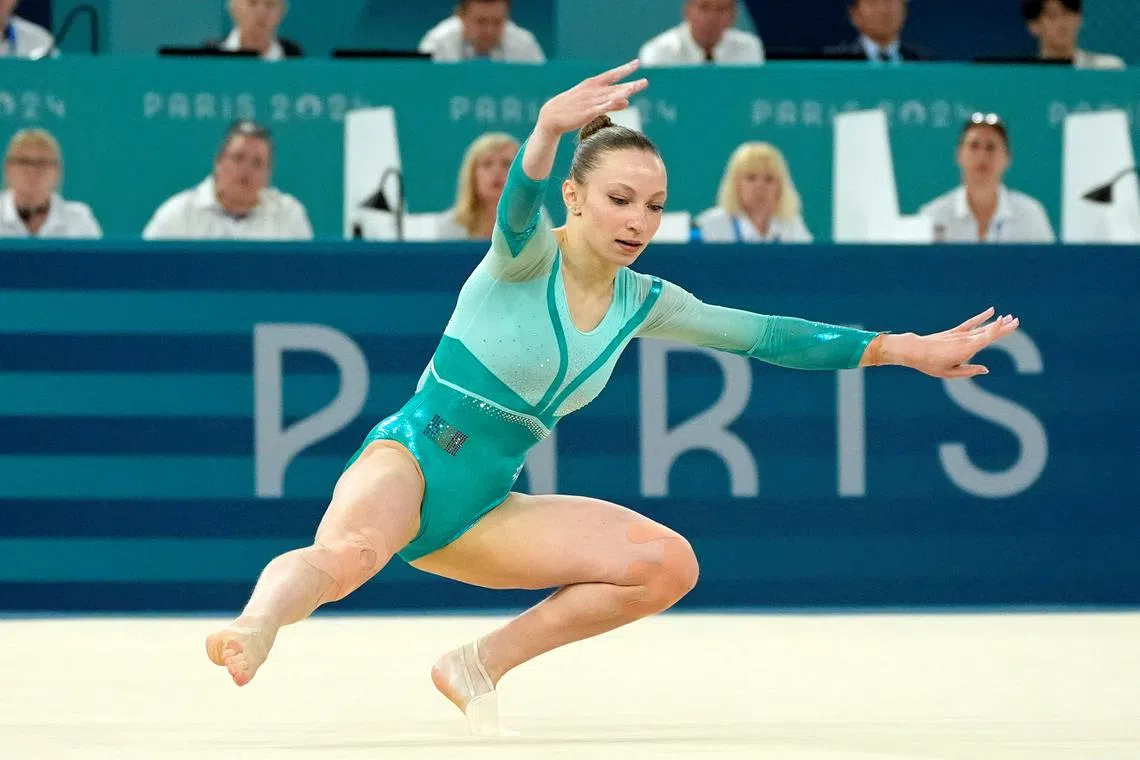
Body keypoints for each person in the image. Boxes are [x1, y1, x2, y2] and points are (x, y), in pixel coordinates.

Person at [205, 60, 1021, 733]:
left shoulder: (645, 301)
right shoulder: (523, 256)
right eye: (620, 200)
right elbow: (517, 200)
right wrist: (545, 132)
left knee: (667, 566)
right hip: (415, 455)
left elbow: (768, 335)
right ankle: (256, 626)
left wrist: (902, 349)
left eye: (655, 206)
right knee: (347, 557)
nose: (639, 219)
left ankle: (479, 664)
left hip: (487, 505)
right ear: (576, 197)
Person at [143, 120, 312, 241]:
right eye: (238, 158)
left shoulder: (288, 216)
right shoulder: (179, 214)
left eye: (257, 163)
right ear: (218, 162)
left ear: (268, 175)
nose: (246, 169)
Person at [918, 113, 1055, 244]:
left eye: (991, 147)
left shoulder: (1030, 215)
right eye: (974, 146)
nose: (982, 155)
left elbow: (1049, 266)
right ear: (959, 155)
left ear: (1007, 158)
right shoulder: (933, 216)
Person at [695, 142, 812, 243]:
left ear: (780, 187)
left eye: (769, 179)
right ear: (735, 184)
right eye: (751, 178)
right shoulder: (707, 226)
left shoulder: (792, 226)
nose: (760, 187)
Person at [0, 128, 101, 238]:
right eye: (24, 162)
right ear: (7, 169)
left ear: (58, 171)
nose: (32, 170)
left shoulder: (79, 220)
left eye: (42, 163)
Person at [437, 132, 520, 240]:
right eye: (487, 164)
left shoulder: (535, 219)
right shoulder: (451, 225)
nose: (497, 171)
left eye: (506, 164)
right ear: (472, 175)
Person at [639, 0, 765, 67]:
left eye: (721, 9)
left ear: (733, 16)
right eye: (704, 7)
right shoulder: (658, 51)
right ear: (687, 11)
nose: (711, 17)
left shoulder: (749, 46)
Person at [1021, 0, 1125, 70]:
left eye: (1068, 14)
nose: (1062, 24)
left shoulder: (1107, 68)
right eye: (1052, 16)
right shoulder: (1024, 76)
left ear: (1080, 19)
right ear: (1033, 26)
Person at [825, 0, 933, 63]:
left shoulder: (925, 63)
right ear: (855, 14)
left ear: (904, 9)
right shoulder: (836, 63)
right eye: (874, 2)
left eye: (890, 1)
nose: (884, 10)